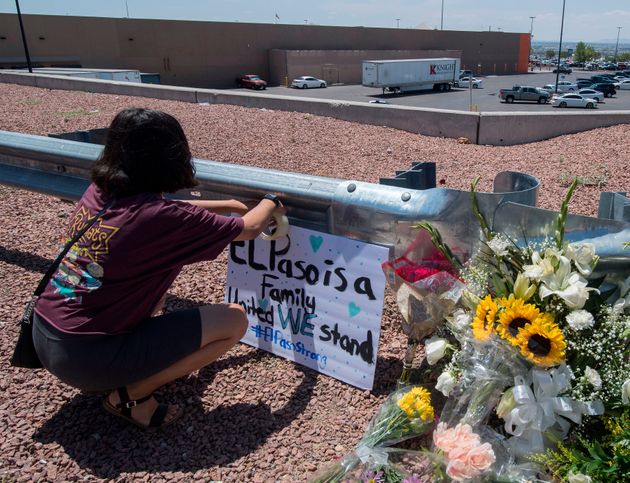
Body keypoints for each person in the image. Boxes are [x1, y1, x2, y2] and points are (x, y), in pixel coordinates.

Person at [32, 108, 285, 428]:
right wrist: (273, 200)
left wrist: (227, 206)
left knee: (158, 297)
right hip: (86, 359)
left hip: (45, 334)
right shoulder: (158, 220)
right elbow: (249, 228)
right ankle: (132, 395)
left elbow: (164, 211)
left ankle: (125, 368)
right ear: (169, 156)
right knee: (233, 320)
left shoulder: (101, 192)